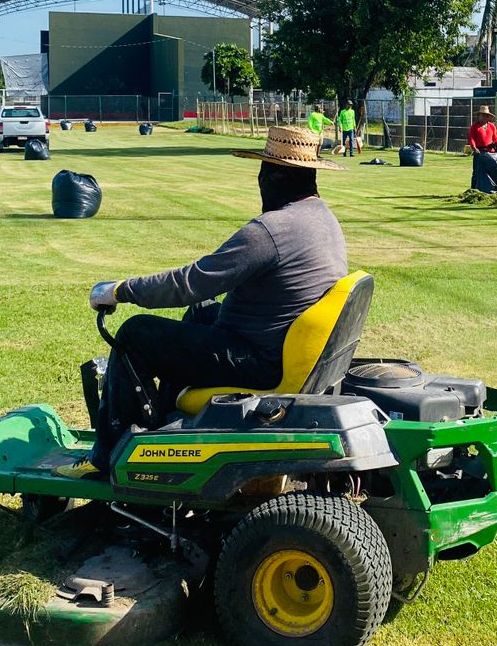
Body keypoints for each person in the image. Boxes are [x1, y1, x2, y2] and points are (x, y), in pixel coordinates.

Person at [56, 125, 346, 479]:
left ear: (274, 175)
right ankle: (163, 428)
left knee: (136, 334)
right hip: (278, 344)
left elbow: (190, 282)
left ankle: (108, 457)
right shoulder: (322, 218)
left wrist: (119, 290)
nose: (259, 181)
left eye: (262, 171)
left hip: (259, 360)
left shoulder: (271, 230)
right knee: (201, 312)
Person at [468, 106, 497, 193]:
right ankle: (474, 189)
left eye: (486, 115)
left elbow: (496, 139)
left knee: (494, 170)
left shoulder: (492, 126)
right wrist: (474, 148)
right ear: (478, 116)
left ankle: (494, 188)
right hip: (480, 153)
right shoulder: (474, 127)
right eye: (482, 115)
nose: (484, 117)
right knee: (476, 172)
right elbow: (471, 139)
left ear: (488, 117)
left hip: (491, 153)